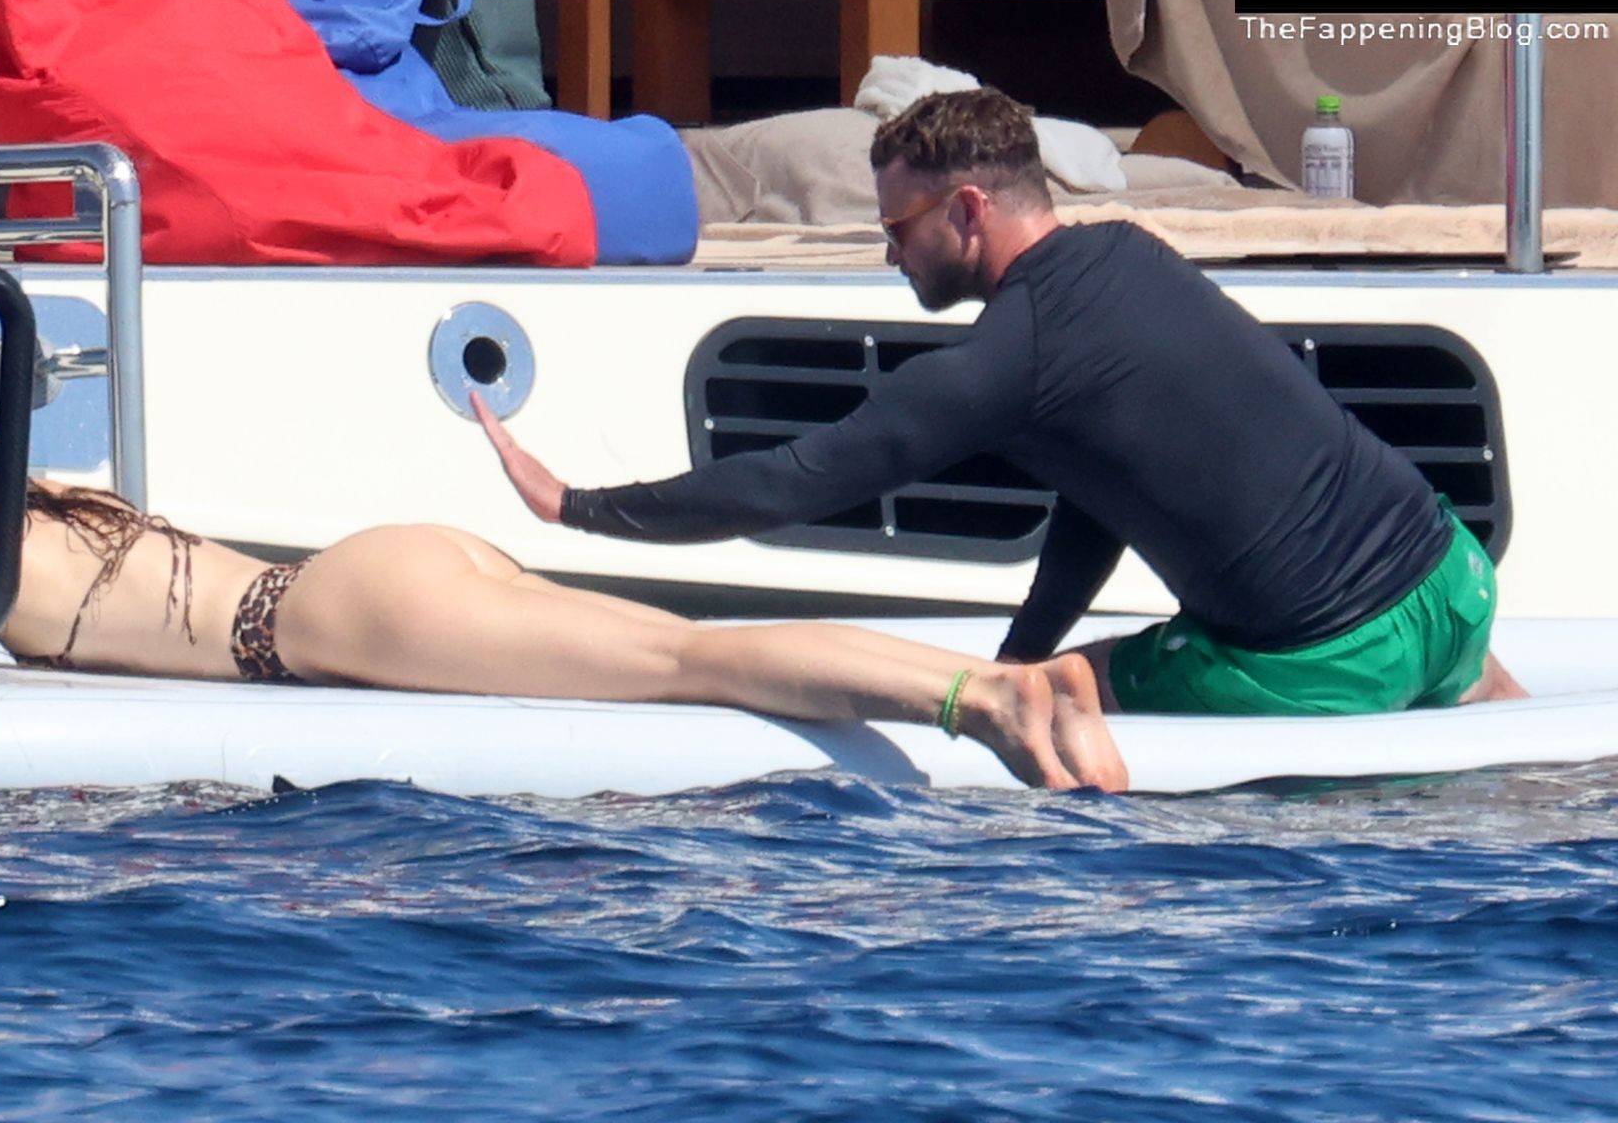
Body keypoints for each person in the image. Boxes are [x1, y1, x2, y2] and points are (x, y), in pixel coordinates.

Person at [475, 87, 1526, 718]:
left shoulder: (1006, 358)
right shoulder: (1130, 254)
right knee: (1033, 670)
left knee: (1037, 706)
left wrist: (577, 506)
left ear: (969, 209)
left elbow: (797, 481)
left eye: (898, 227)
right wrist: (1026, 640)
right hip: (1450, 582)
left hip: (1320, 662)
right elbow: (1104, 487)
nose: (890, 251)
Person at [0, 372, 1125, 792]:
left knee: (685, 661)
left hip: (340, 618)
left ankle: (983, 699)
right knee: (677, 640)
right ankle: (1002, 681)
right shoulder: (30, 508)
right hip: (372, 576)